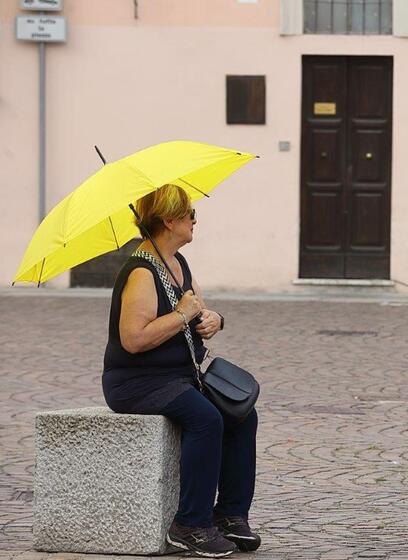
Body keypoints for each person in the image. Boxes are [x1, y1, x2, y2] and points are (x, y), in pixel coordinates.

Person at [102, 184, 260, 557]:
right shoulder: (141, 270)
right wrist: (182, 315)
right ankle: (190, 524)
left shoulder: (177, 263)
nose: (194, 220)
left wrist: (214, 319)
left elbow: (198, 309)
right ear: (169, 220)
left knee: (242, 415)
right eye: (189, 214)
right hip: (137, 382)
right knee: (206, 419)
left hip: (179, 376)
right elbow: (133, 339)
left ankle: (231, 516)